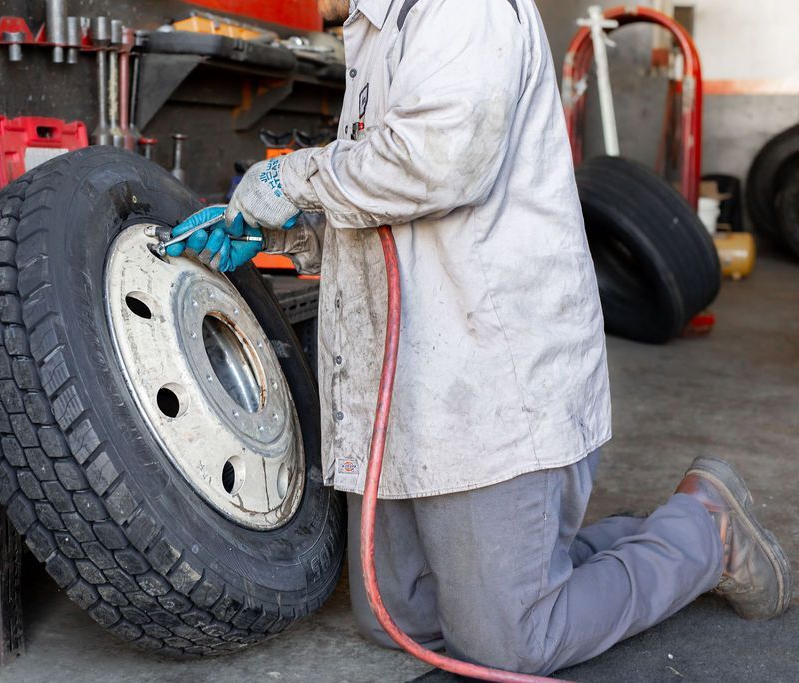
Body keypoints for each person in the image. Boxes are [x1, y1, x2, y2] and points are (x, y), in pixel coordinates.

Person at [165, 0, 792, 675]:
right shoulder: (375, 27)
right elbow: (379, 203)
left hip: (490, 371)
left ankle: (705, 531)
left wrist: (290, 178)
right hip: (408, 383)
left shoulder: (464, 7)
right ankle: (603, 548)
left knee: (513, 640)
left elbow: (436, 165)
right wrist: (277, 229)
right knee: (398, 618)